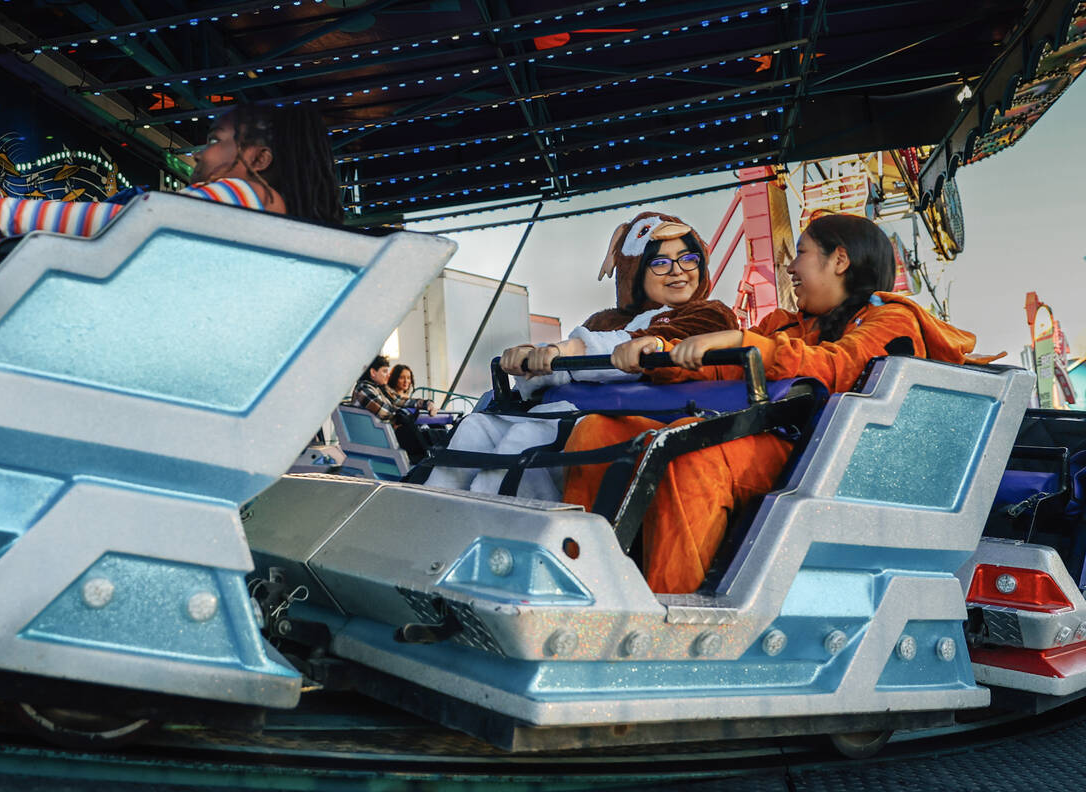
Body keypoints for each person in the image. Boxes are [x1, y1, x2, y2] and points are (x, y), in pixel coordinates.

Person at [563, 214, 997, 595]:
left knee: (689, 453)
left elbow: (836, 368)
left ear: (839, 260)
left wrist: (746, 343)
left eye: (803, 253)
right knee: (597, 431)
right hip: (776, 442)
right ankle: (579, 583)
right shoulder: (783, 324)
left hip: (831, 465)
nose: (789, 265)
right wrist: (661, 356)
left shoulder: (892, 321)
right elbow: (731, 368)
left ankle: (671, 613)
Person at [424, 213, 738, 499]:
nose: (678, 271)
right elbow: (572, 356)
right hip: (569, 413)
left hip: (634, 422)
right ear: (636, 271)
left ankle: (507, 531)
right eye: (660, 263)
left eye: (688, 259)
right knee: (475, 428)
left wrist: (568, 352)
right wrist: (534, 360)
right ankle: (431, 514)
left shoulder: (708, 316)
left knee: (524, 438)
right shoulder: (605, 321)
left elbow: (640, 346)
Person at [0, 102, 342, 251]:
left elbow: (130, 225)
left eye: (216, 141)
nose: (200, 154)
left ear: (259, 157)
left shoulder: (245, 195)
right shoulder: (277, 217)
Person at [351, 355, 437, 461]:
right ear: (373, 372)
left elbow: (399, 400)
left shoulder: (380, 388)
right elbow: (383, 411)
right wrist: (403, 414)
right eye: (385, 371)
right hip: (374, 436)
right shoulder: (363, 389)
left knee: (429, 429)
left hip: (383, 433)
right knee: (415, 434)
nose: (388, 375)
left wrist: (426, 403)